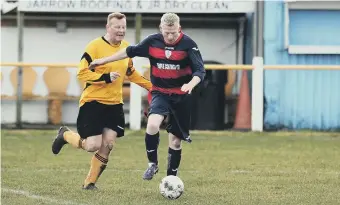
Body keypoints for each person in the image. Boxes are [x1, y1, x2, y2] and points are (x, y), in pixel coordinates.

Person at [89, 13, 206, 180]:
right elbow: (129, 51)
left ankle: (171, 178)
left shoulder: (189, 45)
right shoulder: (152, 42)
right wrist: (102, 61)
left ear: (179, 28)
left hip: (181, 96)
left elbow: (200, 71)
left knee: (175, 142)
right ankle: (152, 164)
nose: (170, 36)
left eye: (174, 32)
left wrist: (191, 84)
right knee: (152, 125)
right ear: (161, 29)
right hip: (160, 92)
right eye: (166, 32)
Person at [51, 12, 152, 189]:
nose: (121, 31)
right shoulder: (94, 47)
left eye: (123, 27)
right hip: (93, 102)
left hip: (114, 104)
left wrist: (152, 87)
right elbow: (81, 72)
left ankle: (89, 183)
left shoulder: (126, 49)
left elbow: (131, 73)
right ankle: (65, 135)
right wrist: (105, 77)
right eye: (117, 27)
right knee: (92, 145)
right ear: (108, 27)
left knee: (108, 144)